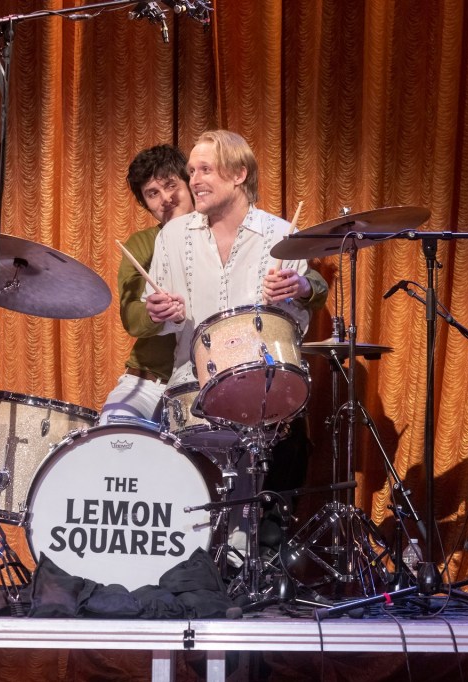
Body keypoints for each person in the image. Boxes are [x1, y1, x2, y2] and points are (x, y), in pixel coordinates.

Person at [144, 130, 327, 568]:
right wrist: (160, 310)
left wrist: (298, 288)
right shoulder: (171, 235)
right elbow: (164, 320)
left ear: (239, 174)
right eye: (191, 172)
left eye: (205, 169)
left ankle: (256, 559)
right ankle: (189, 564)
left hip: (263, 383)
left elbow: (297, 323)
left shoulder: (283, 236)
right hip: (193, 382)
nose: (194, 181)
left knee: (286, 438)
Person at [99, 145, 194, 425]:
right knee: (112, 434)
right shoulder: (141, 244)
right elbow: (131, 318)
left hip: (205, 382)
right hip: (149, 380)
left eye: (170, 185)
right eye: (153, 193)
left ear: (189, 185)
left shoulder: (221, 234)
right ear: (145, 204)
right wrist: (152, 313)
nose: (165, 198)